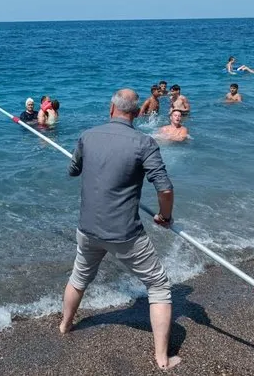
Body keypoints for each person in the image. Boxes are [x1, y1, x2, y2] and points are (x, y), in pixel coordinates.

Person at [62, 89, 180, 371]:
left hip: (88, 228)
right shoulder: (144, 142)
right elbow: (164, 187)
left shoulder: (87, 136)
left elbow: (72, 170)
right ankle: (162, 359)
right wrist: (166, 216)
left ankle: (65, 325)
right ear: (138, 113)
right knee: (159, 285)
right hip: (125, 234)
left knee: (80, 276)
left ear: (110, 108)